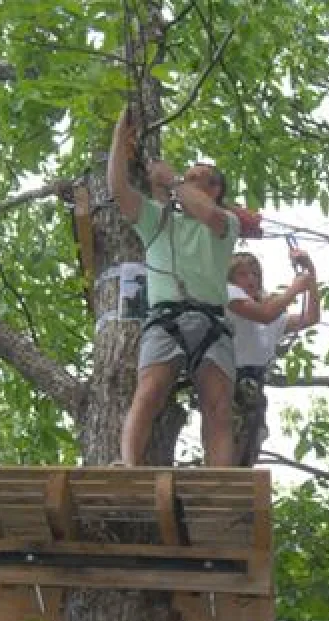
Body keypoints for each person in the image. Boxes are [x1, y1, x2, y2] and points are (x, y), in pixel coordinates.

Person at [107, 107, 240, 467]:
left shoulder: (225, 223)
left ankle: (219, 480)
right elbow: (118, 189)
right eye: (187, 177)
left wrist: (173, 179)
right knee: (149, 393)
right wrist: (121, 136)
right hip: (166, 318)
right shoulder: (158, 220)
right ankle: (128, 465)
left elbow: (209, 215)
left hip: (211, 321)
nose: (188, 181)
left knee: (218, 407)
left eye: (198, 178)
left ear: (215, 189)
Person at [226, 248, 320, 466]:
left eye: (255, 274)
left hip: (255, 382)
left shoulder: (270, 310)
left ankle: (242, 479)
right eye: (243, 274)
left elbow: (311, 317)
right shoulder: (229, 295)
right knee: (232, 435)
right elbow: (266, 315)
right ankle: (225, 481)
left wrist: (310, 274)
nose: (251, 279)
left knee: (252, 437)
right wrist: (294, 289)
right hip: (229, 378)